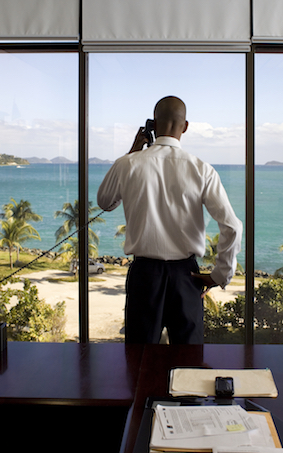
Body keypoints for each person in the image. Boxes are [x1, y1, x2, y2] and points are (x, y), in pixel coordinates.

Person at [97, 96, 242, 344]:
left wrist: (133, 152)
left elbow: (105, 202)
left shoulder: (127, 164)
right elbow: (232, 226)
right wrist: (220, 275)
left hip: (144, 275)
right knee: (189, 359)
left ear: (153, 125)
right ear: (185, 127)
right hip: (186, 276)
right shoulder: (202, 169)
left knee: (140, 358)